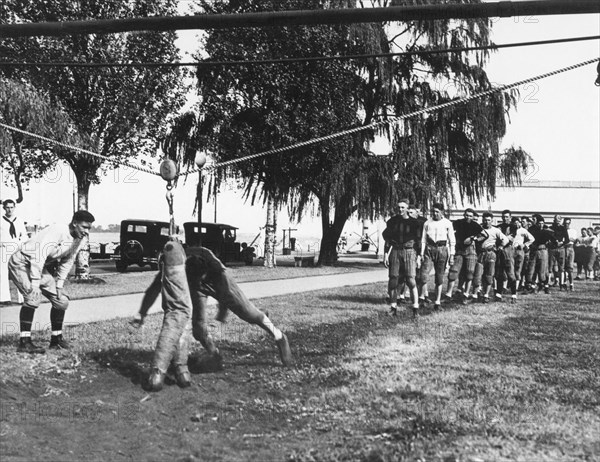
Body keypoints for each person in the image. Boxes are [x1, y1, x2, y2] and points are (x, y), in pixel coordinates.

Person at [133, 246, 293, 384]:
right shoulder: (175, 263)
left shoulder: (218, 272)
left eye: (198, 280)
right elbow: (155, 287)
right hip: (197, 280)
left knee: (250, 314)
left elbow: (224, 299)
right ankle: (214, 354)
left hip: (217, 279)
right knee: (198, 328)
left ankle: (279, 336)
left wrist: (220, 317)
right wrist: (142, 312)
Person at [8, 210, 95, 353]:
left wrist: (59, 285)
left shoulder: (80, 239)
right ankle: (24, 342)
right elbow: (39, 254)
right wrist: (35, 284)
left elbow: (68, 261)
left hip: (39, 267)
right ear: (74, 223)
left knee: (62, 301)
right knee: (33, 298)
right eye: (84, 227)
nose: (86, 231)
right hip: (22, 262)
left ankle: (56, 340)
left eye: (89, 228)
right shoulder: (59, 230)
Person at [382, 199, 422, 317]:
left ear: (407, 209)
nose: (400, 210)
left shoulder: (415, 223)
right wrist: (385, 254)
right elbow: (388, 239)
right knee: (393, 279)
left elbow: (419, 241)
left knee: (410, 280)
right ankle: (393, 307)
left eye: (403, 207)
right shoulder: (392, 222)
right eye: (399, 207)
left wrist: (419, 256)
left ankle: (415, 308)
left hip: (409, 251)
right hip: (395, 251)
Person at [418, 202, 455, 310]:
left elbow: (452, 240)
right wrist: (421, 253)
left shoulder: (447, 223)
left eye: (437, 212)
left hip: (442, 250)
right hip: (429, 249)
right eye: (433, 211)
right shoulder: (427, 223)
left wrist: (452, 255)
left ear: (442, 212)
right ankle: (423, 297)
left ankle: (437, 302)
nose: (434, 213)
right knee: (423, 275)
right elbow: (423, 239)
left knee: (439, 277)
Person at [444, 208, 485, 305]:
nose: (468, 217)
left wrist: (473, 238)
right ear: (464, 215)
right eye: (467, 215)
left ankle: (466, 295)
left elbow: (484, 235)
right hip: (459, 249)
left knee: (469, 274)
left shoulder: (475, 225)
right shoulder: (458, 223)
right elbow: (449, 231)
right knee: (453, 272)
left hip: (471, 250)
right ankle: (448, 294)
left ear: (473, 216)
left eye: (470, 216)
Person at [472, 212, 510, 303]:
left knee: (489, 275)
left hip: (491, 253)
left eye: (488, 220)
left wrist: (500, 247)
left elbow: (506, 239)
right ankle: (476, 294)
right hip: (480, 253)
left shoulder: (495, 230)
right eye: (485, 220)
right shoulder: (479, 229)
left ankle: (486, 295)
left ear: (492, 220)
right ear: (482, 220)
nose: (486, 222)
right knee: (478, 274)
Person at [1, 199, 28, 305]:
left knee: (20, 271)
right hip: (4, 247)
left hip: (17, 247)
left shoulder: (19, 220)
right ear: (4, 208)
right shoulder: (1, 220)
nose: (9, 210)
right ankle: (4, 298)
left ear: (14, 208)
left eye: (11, 207)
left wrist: (21, 244)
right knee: (3, 272)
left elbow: (24, 235)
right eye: (7, 207)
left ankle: (23, 298)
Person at [524, 214, 557, 294]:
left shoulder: (546, 231)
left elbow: (554, 241)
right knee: (532, 268)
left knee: (543, 269)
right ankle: (532, 286)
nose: (540, 225)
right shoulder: (531, 229)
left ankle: (545, 286)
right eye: (539, 223)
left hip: (543, 251)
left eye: (542, 223)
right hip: (534, 251)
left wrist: (549, 245)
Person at [508, 217, 535, 293]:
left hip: (519, 250)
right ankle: (510, 286)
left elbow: (532, 239)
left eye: (518, 222)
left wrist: (525, 245)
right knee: (510, 268)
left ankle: (516, 288)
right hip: (511, 250)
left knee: (518, 269)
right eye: (515, 223)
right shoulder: (510, 230)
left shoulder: (523, 230)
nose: (517, 224)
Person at [494, 210, 515, 301]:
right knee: (499, 272)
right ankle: (498, 294)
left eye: (507, 217)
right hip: (499, 250)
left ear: (510, 217)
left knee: (510, 272)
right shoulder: (499, 227)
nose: (505, 218)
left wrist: (502, 243)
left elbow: (510, 238)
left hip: (508, 250)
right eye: (503, 217)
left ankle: (514, 294)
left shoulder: (514, 227)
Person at [549, 215, 569, 289]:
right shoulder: (550, 228)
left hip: (561, 249)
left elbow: (567, 239)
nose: (558, 220)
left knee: (561, 268)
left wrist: (561, 243)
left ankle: (562, 284)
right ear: (554, 219)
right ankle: (547, 284)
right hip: (552, 249)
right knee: (550, 267)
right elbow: (549, 237)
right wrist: (554, 242)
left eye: (559, 219)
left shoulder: (563, 228)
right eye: (556, 218)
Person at [563, 218, 577, 291]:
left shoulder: (573, 231)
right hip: (563, 248)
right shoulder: (562, 230)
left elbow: (573, 240)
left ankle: (571, 284)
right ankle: (564, 283)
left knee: (570, 267)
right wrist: (568, 239)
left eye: (568, 223)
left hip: (570, 248)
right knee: (564, 267)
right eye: (565, 223)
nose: (566, 225)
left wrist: (567, 240)